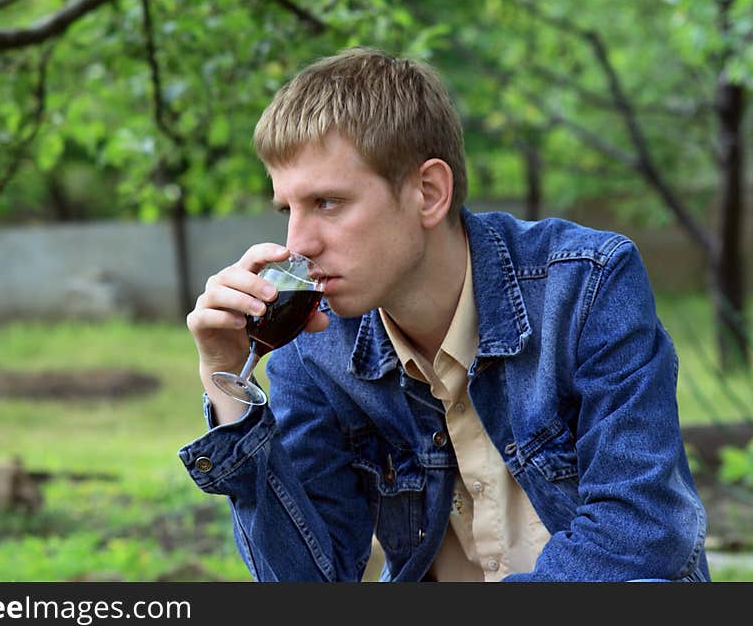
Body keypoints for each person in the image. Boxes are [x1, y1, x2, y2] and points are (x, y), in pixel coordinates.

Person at [180, 47, 710, 582]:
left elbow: (640, 533)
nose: (298, 242)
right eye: (287, 209)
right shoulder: (315, 346)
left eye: (328, 203)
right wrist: (227, 383)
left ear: (429, 193)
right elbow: (307, 581)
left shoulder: (586, 285)